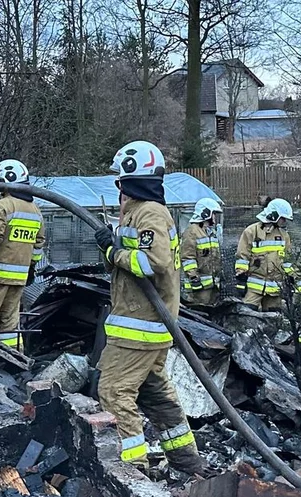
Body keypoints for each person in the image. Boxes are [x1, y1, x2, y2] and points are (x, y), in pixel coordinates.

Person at [93, 140, 205, 476]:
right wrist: (112, 246)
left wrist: (114, 253)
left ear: (131, 177)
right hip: (146, 324)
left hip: (140, 325)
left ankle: (132, 472)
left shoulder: (151, 213)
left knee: (114, 391)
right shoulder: (138, 211)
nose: (118, 188)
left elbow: (151, 263)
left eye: (120, 180)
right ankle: (187, 462)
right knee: (157, 397)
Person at [0, 159, 45, 350]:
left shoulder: (2, 206)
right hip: (20, 277)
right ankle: (14, 360)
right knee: (10, 322)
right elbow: (39, 244)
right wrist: (31, 267)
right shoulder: (35, 210)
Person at [234, 198, 294, 312]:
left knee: (274, 320)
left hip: (275, 288)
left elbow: (287, 260)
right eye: (283, 218)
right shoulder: (251, 232)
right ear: (274, 215)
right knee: (247, 316)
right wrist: (241, 280)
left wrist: (290, 277)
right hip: (254, 287)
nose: (284, 222)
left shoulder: (284, 236)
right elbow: (242, 257)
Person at [180, 198, 223, 305]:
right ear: (206, 213)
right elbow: (187, 258)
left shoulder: (210, 232)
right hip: (198, 288)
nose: (215, 217)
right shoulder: (192, 232)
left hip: (212, 286)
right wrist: (193, 277)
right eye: (214, 214)